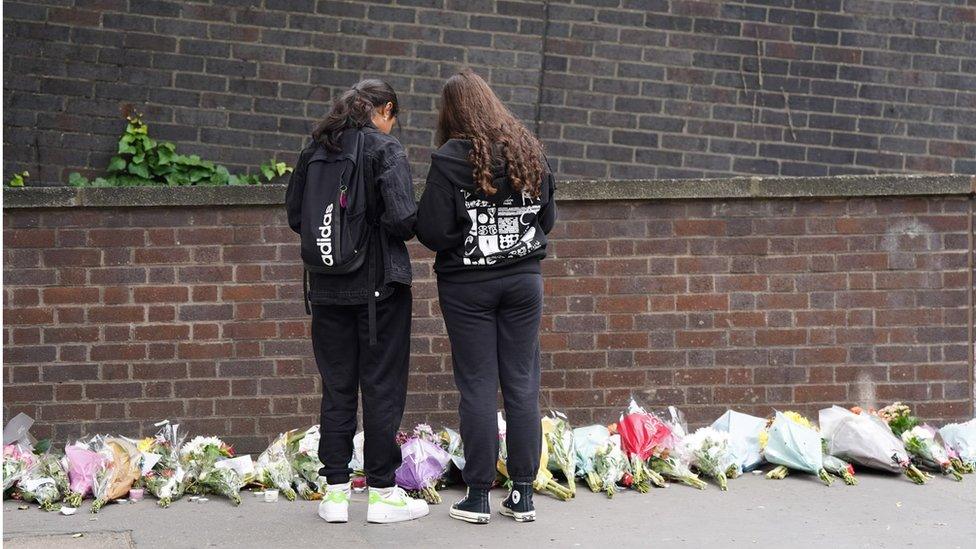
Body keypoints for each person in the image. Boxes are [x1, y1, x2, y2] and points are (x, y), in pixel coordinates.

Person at [415, 69, 558, 524]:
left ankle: (477, 496)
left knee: (477, 386)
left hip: (468, 287)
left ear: (450, 112)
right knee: (522, 384)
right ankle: (522, 495)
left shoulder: (449, 160)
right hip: (523, 282)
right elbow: (546, 219)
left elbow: (434, 233)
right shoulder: (527, 149)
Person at [285, 79, 428, 524]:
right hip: (379, 289)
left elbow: (296, 217)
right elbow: (405, 220)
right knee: (382, 387)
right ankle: (384, 494)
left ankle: (334, 494)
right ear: (384, 109)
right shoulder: (385, 149)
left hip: (326, 289)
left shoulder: (314, 151)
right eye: (394, 117)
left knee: (338, 387)